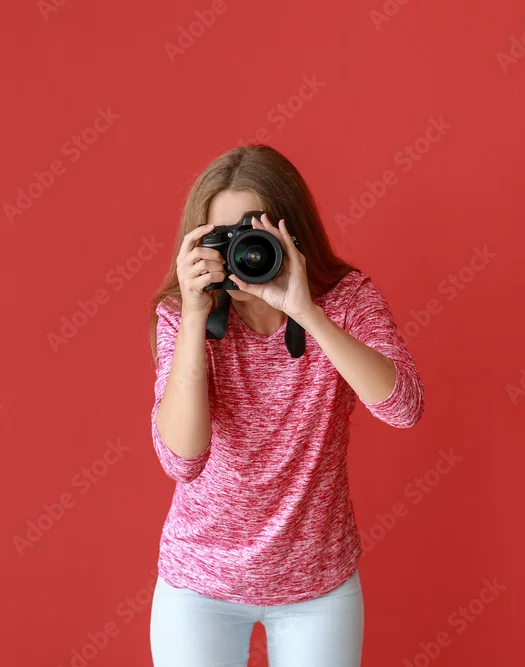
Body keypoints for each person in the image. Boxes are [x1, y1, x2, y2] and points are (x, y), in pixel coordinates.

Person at [147, 144, 424, 667]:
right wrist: (194, 317)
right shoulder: (181, 317)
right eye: (222, 239)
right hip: (200, 581)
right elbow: (182, 460)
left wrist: (306, 310)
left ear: (291, 235)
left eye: (253, 235)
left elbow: (403, 408)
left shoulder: (346, 300)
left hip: (318, 583)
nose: (241, 254)